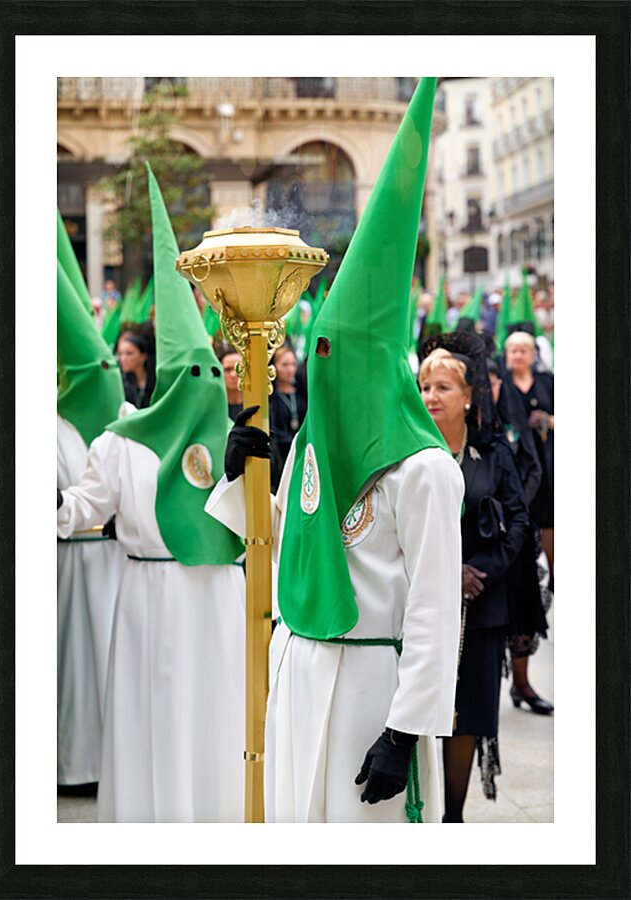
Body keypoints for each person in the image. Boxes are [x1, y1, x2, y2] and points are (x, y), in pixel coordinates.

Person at [208, 78, 463, 824]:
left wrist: (405, 727)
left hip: (371, 694)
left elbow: (433, 609)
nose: (319, 368)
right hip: (298, 671)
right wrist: (238, 478)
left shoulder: (424, 471)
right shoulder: (311, 449)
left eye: (334, 355)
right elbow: (280, 538)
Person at [57, 165, 245, 823]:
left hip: (216, 605)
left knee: (212, 724)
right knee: (151, 719)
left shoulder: (235, 440)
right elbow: (84, 505)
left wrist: (254, 471)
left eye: (208, 372)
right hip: (146, 602)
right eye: (188, 374)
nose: (202, 383)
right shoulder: (117, 443)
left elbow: (264, 528)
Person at [419, 332, 529, 822]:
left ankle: (453, 819)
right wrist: (445, 572)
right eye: (425, 387)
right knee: (426, 711)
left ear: (469, 396)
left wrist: (478, 571)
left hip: (480, 606)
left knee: (467, 717)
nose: (432, 397)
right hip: (423, 603)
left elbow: (518, 519)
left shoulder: (493, 454)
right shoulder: (412, 452)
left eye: (444, 387)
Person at [57, 256, 126, 788]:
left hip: (110, 559)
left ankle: (103, 761)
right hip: (62, 563)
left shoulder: (122, 425)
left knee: (107, 662)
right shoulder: (47, 425)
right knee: (68, 665)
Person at [488, 360, 552, 715]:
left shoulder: (511, 411)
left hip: (518, 526)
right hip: (484, 531)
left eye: (497, 381)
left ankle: (522, 685)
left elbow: (532, 466)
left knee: (525, 608)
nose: (493, 387)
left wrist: (515, 508)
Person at [504, 330, 554, 580]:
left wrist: (548, 420)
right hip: (516, 462)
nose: (518, 355)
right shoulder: (501, 383)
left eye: (523, 350)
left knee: (548, 516)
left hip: (547, 460)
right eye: (513, 350)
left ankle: (551, 575)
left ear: (533, 354)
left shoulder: (547, 381)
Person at [268, 343, 307, 493]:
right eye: (284, 365)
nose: (290, 369)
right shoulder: (272, 398)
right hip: (282, 456)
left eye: (292, 364)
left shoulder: (301, 394)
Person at [117, 328, 155, 409]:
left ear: (143, 357)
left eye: (129, 353)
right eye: (120, 353)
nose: (123, 359)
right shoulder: (120, 382)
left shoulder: (155, 379)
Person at [217, 342, 244, 420]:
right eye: (227, 369)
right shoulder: (212, 409)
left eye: (238, 369)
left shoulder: (259, 406)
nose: (233, 375)